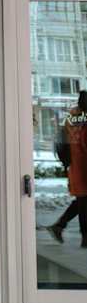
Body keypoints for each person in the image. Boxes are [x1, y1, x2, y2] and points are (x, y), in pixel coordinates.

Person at [49, 91, 87, 247]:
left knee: (82, 201)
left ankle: (59, 226)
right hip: (81, 166)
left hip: (75, 165)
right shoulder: (82, 120)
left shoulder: (72, 117)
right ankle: (84, 238)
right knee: (83, 202)